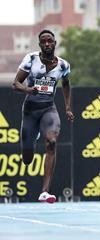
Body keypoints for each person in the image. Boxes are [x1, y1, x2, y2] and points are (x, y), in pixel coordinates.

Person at [12, 29, 74, 203]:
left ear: (55, 43)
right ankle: (33, 137)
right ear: (40, 45)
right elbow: (15, 84)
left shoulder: (63, 65)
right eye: (43, 42)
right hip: (30, 111)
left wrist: (68, 108)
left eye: (50, 41)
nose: (47, 44)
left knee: (52, 142)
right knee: (27, 158)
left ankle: (45, 191)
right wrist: (28, 89)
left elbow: (67, 84)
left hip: (49, 109)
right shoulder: (31, 59)